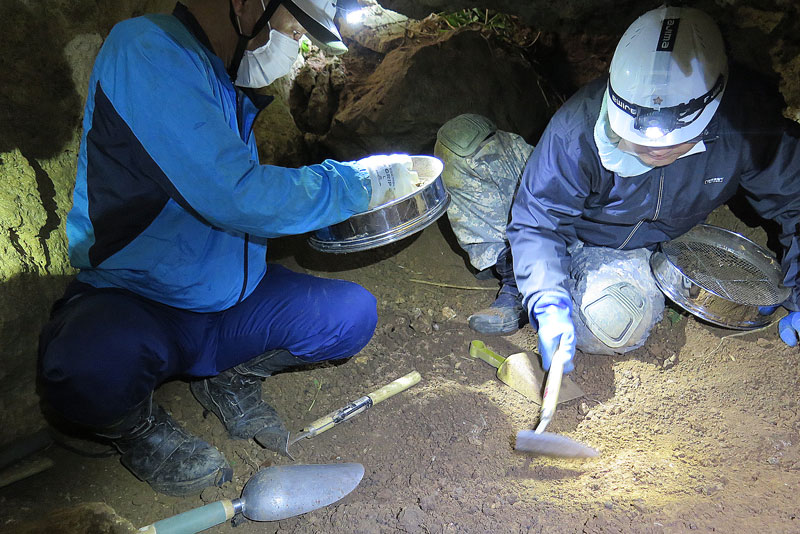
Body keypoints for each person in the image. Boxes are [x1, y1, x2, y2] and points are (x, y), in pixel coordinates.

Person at [37, 0, 419, 497]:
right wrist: (358, 183)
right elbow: (236, 193)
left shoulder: (218, 78)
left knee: (351, 314)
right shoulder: (146, 50)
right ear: (246, 5)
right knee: (88, 362)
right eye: (289, 28)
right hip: (139, 299)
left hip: (227, 304)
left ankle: (228, 380)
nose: (292, 45)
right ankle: (135, 431)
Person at [435, 5, 800, 374]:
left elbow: (796, 197)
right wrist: (547, 299)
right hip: (561, 213)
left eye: (673, 144)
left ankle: (565, 285)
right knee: (462, 142)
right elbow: (538, 219)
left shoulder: (745, 123)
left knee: (612, 323)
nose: (656, 151)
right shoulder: (578, 127)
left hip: (623, 248)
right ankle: (518, 273)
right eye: (640, 142)